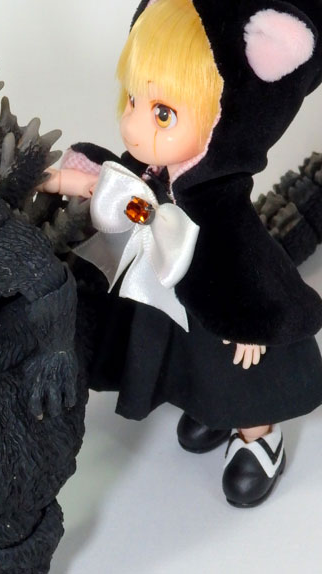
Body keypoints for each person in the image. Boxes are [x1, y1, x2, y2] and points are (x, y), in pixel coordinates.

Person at [41, 0, 322, 507]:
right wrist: (61, 179)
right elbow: (113, 186)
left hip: (222, 308)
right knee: (184, 361)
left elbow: (250, 255)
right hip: (169, 300)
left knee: (240, 374)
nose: (133, 125)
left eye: (163, 113)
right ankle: (208, 408)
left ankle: (259, 437)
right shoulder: (150, 171)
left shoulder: (217, 202)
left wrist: (252, 321)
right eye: (133, 99)